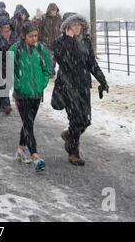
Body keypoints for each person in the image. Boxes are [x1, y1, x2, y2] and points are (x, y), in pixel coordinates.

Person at [52, 14, 109, 166]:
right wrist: (69, 39)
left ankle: (69, 135)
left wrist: (102, 80)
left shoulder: (85, 41)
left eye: (79, 25)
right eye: (74, 25)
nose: (77, 28)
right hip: (67, 87)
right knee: (76, 119)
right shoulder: (59, 42)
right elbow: (66, 61)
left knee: (86, 120)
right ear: (67, 27)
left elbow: (92, 63)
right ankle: (73, 153)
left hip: (83, 85)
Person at [9, 22, 51, 171]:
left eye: (35, 36)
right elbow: (9, 71)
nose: (34, 39)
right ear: (23, 36)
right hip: (21, 95)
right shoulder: (15, 49)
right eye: (30, 36)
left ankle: (20, 150)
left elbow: (47, 69)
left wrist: (42, 83)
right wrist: (18, 84)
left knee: (28, 123)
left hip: (36, 94)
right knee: (28, 124)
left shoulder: (41, 49)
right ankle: (35, 156)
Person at [0, 17, 18, 114]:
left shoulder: (14, 35)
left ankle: (3, 104)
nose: (5, 29)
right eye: (3, 27)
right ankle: (6, 104)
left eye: (7, 27)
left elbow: (17, 46)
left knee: (7, 84)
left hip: (10, 61)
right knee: (3, 83)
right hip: (0, 61)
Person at [37, 3, 62, 77]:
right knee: (49, 57)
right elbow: (39, 29)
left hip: (56, 42)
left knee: (54, 58)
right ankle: (51, 73)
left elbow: (61, 27)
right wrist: (41, 39)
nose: (54, 12)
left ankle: (51, 70)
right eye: (52, 10)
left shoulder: (59, 17)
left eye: (55, 10)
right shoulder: (44, 17)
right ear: (49, 10)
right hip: (46, 42)